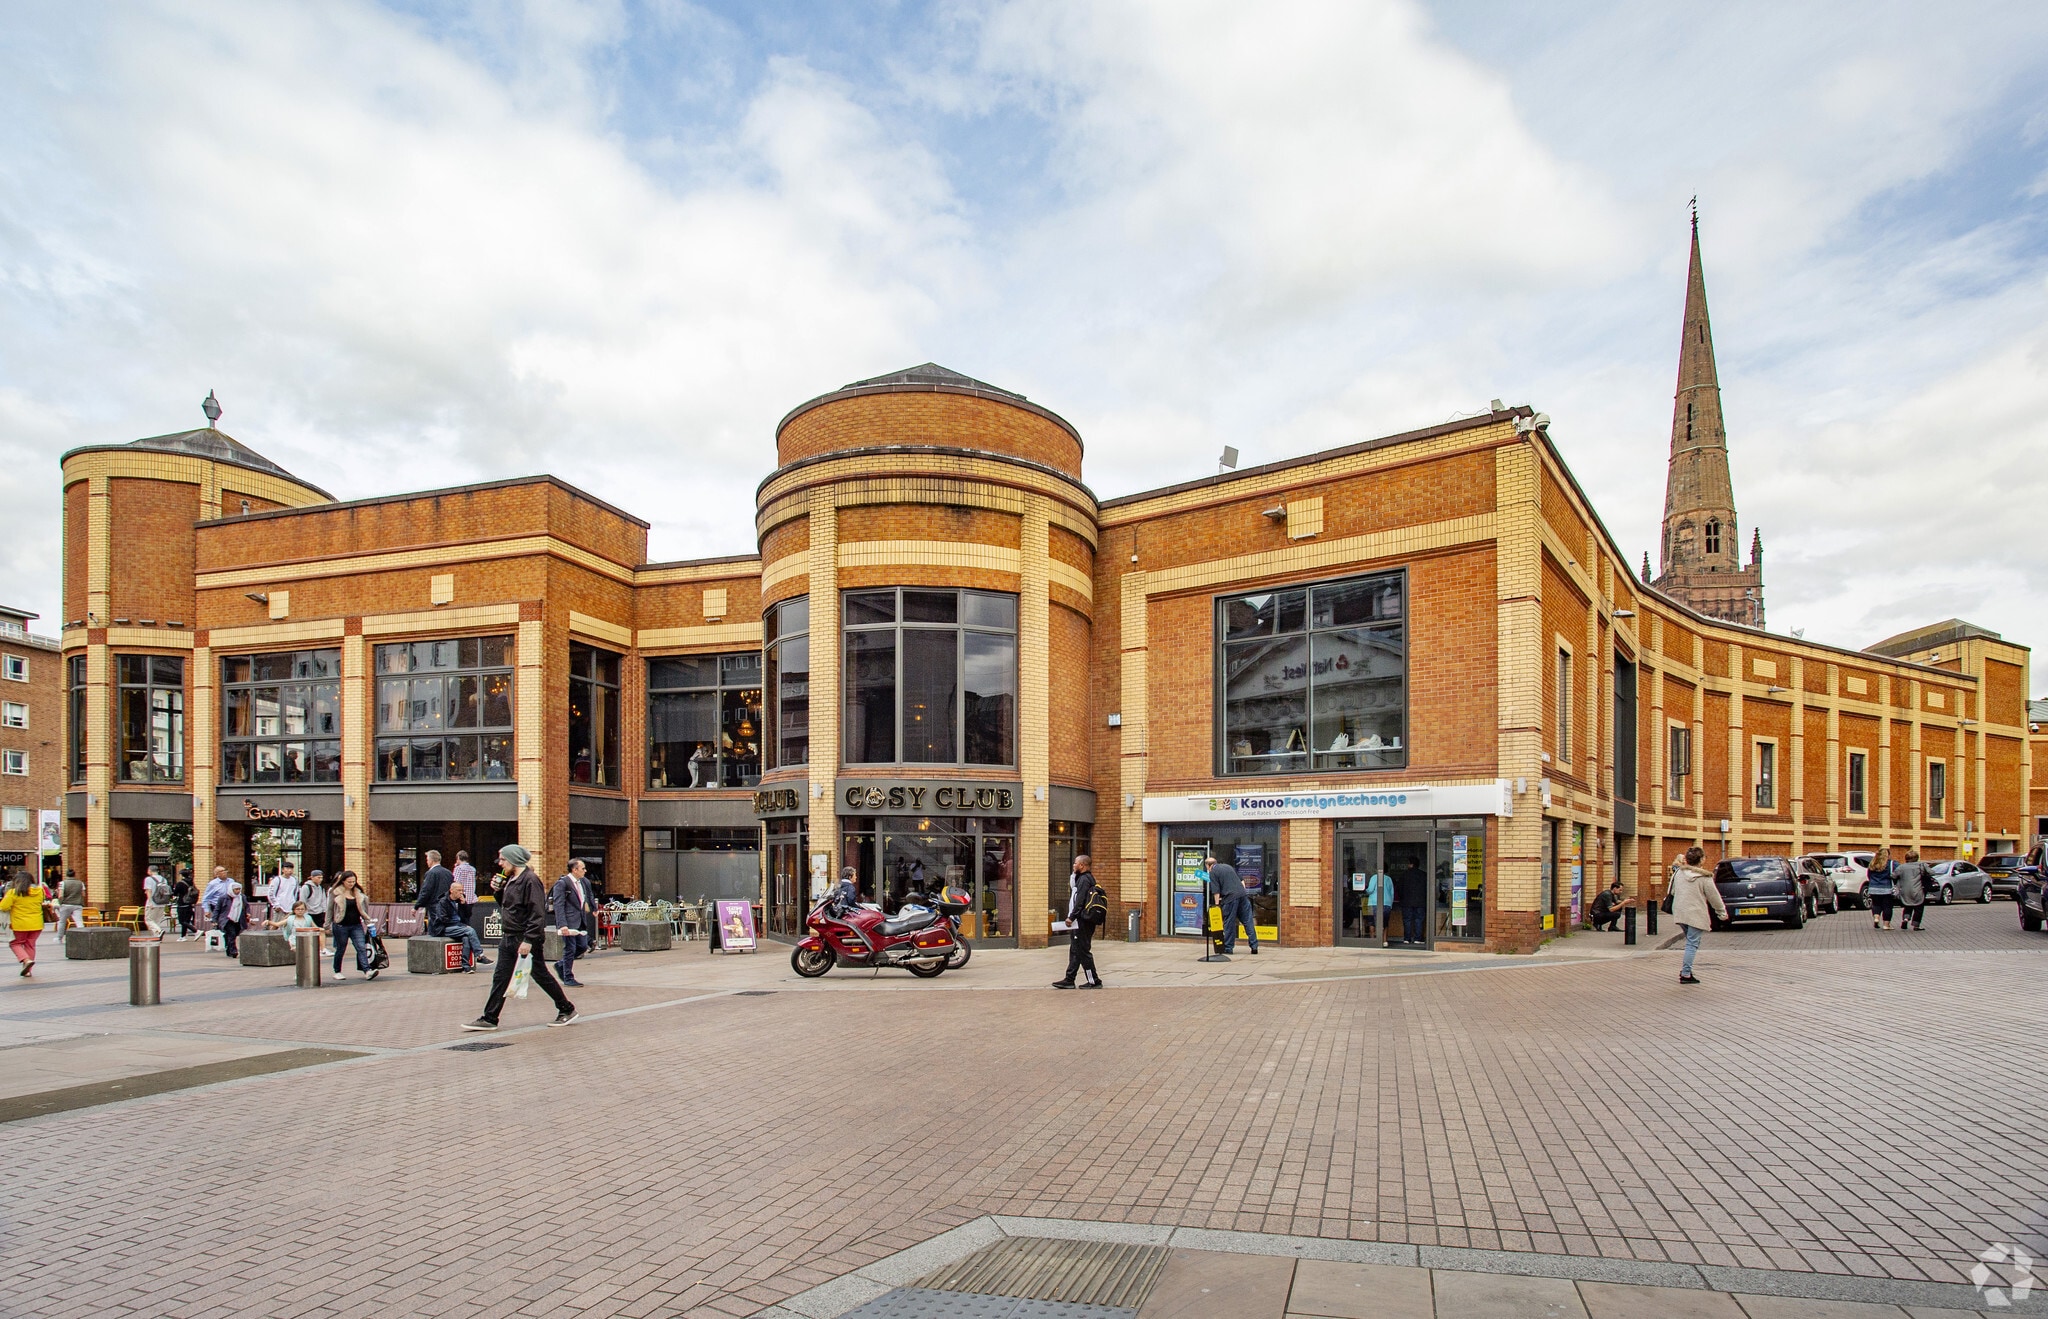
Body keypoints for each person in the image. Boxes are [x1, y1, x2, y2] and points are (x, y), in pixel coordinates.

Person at [464, 845, 577, 1031]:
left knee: (540, 974)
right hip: (509, 936)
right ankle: (490, 1017)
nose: (500, 864)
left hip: (523, 937)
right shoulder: (510, 880)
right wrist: (498, 890)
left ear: (513, 859)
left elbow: (537, 913)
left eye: (503, 860)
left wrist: (529, 939)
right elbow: (507, 906)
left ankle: (566, 1008)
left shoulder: (530, 880)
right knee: (501, 977)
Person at [1668, 845, 1727, 985]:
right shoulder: (1704, 877)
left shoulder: (1678, 873)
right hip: (1695, 914)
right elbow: (1714, 897)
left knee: (1691, 940)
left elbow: (1672, 891)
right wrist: (1722, 913)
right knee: (1692, 944)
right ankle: (1686, 973)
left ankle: (1686, 971)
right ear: (1701, 859)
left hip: (1680, 912)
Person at [1053, 854, 1104, 988]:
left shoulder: (1085, 880)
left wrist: (1072, 917)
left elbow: (1080, 901)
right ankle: (1069, 979)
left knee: (1082, 951)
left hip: (1082, 921)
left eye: (1075, 863)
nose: (1074, 865)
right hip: (1081, 920)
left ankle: (1094, 981)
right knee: (1075, 950)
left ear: (1082, 865)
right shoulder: (1083, 878)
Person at [551, 859, 594, 988]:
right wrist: (562, 924)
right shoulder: (563, 883)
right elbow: (558, 904)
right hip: (568, 922)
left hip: (579, 921)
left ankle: (561, 965)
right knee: (570, 949)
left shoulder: (582, 883)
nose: (585, 871)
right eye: (582, 868)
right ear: (574, 870)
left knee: (582, 946)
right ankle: (568, 977)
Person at [328, 871, 375, 981]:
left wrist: (369, 924)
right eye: (349, 882)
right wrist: (327, 925)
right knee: (341, 949)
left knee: (361, 947)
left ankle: (367, 970)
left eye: (353, 881)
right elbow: (330, 909)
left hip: (356, 925)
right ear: (343, 881)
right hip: (340, 926)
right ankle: (337, 971)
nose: (351, 884)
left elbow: (364, 911)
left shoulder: (358, 893)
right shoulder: (335, 893)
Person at [1207, 854, 1256, 954]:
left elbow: (1216, 891)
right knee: (1248, 921)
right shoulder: (1228, 867)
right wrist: (1242, 892)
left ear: (1208, 866)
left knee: (1229, 923)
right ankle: (1254, 946)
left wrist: (1217, 905)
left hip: (1230, 898)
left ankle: (1228, 948)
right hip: (1242, 895)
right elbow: (1242, 881)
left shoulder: (1213, 872)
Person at [1, 873, 45, 977]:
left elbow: (3, 906)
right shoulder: (39, 891)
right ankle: (28, 971)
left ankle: (26, 960)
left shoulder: (14, 892)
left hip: (19, 924)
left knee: (15, 943)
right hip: (37, 924)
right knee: (30, 945)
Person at [1893, 849, 1932, 932]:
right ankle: (1916, 925)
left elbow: (1893, 875)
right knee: (1919, 907)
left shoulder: (1901, 867)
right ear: (1917, 858)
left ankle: (1906, 919)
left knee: (1907, 906)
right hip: (1918, 890)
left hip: (1905, 890)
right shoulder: (1921, 865)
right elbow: (1931, 872)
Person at [1395, 857, 1428, 946]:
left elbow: (1399, 888)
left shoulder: (1404, 875)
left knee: (1407, 920)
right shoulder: (1424, 875)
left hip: (1406, 902)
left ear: (1411, 864)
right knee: (1419, 920)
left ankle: (1407, 938)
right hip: (1420, 902)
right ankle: (1418, 938)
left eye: (1408, 863)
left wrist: (1402, 897)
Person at [211, 879, 247, 957]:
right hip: (226, 920)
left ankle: (229, 949)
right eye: (236, 889)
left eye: (239, 889)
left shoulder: (242, 897)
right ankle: (234, 951)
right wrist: (214, 919)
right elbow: (217, 909)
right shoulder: (223, 898)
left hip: (238, 919)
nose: (238, 891)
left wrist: (248, 914)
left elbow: (246, 907)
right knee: (232, 934)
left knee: (233, 934)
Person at [1865, 847, 1897, 929]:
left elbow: (1869, 875)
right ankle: (1886, 925)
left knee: (1876, 904)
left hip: (1873, 887)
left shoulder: (1872, 863)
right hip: (1886, 888)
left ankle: (1876, 918)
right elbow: (1897, 873)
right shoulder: (1891, 863)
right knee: (1887, 906)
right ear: (1888, 855)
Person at [142, 864, 174, 938]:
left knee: (148, 920)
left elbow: (149, 891)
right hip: (162, 903)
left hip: (153, 902)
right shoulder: (164, 879)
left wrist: (150, 902)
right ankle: (157, 936)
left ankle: (159, 931)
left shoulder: (148, 879)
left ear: (149, 871)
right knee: (157, 920)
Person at [56, 869, 86, 935]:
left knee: (62, 922)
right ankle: (83, 936)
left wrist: (60, 903)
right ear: (74, 875)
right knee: (79, 921)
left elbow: (60, 895)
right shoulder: (80, 883)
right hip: (77, 904)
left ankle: (59, 937)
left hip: (65, 904)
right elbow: (83, 894)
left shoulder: (62, 883)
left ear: (66, 875)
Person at [450, 851, 477, 926]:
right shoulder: (473, 869)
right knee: (467, 920)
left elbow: (455, 882)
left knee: (460, 921)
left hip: (461, 898)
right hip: (471, 899)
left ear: (458, 858)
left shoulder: (458, 869)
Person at [172, 868, 198, 940]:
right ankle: (183, 936)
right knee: (186, 920)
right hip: (190, 903)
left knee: (181, 921)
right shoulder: (191, 883)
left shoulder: (180, 884)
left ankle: (196, 931)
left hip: (182, 903)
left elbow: (175, 893)